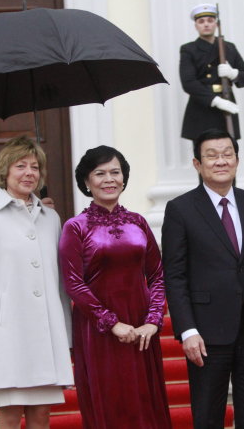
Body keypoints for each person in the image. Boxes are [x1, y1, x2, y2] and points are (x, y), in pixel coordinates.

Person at [162, 129, 244, 428]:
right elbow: (174, 276)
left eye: (228, 154)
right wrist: (187, 330)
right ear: (197, 164)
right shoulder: (180, 209)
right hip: (205, 332)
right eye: (211, 156)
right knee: (208, 415)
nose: (221, 161)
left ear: (237, 160)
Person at [0, 136, 73, 428]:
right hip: (6, 333)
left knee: (42, 414)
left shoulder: (51, 218)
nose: (29, 173)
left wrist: (66, 334)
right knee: (9, 413)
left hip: (47, 333)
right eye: (20, 166)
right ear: (5, 170)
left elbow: (59, 282)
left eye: (35, 167)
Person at [58, 146, 171, 429]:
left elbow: (157, 275)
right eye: (100, 173)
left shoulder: (138, 222)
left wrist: (153, 321)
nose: (109, 179)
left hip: (141, 327)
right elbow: (73, 283)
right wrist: (111, 323)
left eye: (115, 172)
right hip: (98, 330)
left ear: (124, 178)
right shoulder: (75, 227)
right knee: (111, 401)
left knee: (145, 401)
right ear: (87, 181)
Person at [180, 3, 244, 141]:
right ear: (196, 25)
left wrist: (233, 73)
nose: (206, 24)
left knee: (228, 149)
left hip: (227, 105)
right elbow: (188, 83)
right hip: (202, 108)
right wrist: (215, 101)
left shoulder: (229, 47)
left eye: (210, 20)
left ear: (216, 24)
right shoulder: (189, 49)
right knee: (205, 150)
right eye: (201, 21)